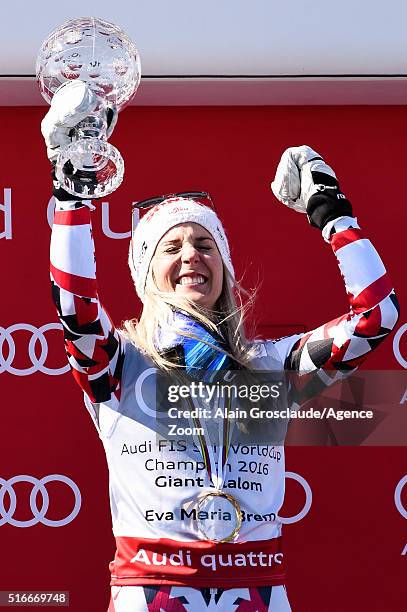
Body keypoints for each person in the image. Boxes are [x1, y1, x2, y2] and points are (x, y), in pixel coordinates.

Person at [43, 83, 399, 612]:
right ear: (146, 275)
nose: (192, 255)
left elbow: (375, 317)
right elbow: (74, 305)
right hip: (151, 593)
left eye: (205, 244)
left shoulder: (270, 369)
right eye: (172, 246)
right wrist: (72, 198)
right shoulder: (118, 364)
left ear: (224, 270)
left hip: (259, 593)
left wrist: (334, 217)